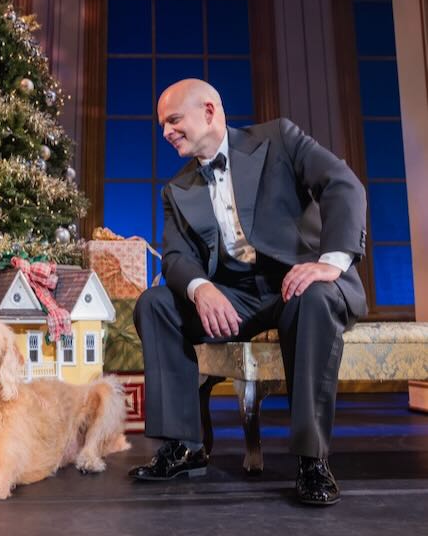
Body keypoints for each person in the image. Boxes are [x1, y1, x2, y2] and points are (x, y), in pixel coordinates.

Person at [129, 79, 367, 506]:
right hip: (235, 297)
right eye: (162, 124)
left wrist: (330, 263)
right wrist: (201, 288)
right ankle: (184, 447)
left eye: (173, 120)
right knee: (156, 303)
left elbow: (342, 183)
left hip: (298, 283)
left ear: (208, 111)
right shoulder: (176, 189)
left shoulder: (280, 139)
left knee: (313, 297)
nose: (165, 131)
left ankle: (312, 460)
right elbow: (176, 257)